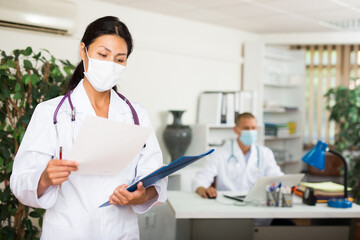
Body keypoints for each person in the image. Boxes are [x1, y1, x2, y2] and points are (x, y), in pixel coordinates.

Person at [10, 16, 167, 239]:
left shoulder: (136, 114)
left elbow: (154, 177)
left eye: (119, 59)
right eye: (103, 55)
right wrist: (44, 179)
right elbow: (20, 181)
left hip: (120, 231)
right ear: (83, 51)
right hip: (68, 231)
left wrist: (140, 196)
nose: (110, 64)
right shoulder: (50, 113)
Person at [192, 112, 283, 199]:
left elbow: (277, 177)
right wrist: (202, 189)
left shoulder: (265, 153)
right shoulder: (220, 153)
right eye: (246, 128)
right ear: (236, 129)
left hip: (256, 204)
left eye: (253, 128)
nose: (250, 131)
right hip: (227, 204)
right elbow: (201, 178)